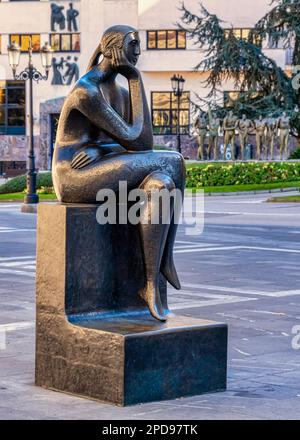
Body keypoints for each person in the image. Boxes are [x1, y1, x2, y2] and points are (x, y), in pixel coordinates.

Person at [52, 25, 185, 322]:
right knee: (173, 161)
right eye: (133, 44)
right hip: (73, 177)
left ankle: (150, 284)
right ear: (113, 48)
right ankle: (167, 258)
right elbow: (137, 142)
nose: (138, 50)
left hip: (98, 167)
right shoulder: (87, 91)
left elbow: (139, 140)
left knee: (161, 185)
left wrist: (101, 150)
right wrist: (136, 78)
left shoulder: (119, 91)